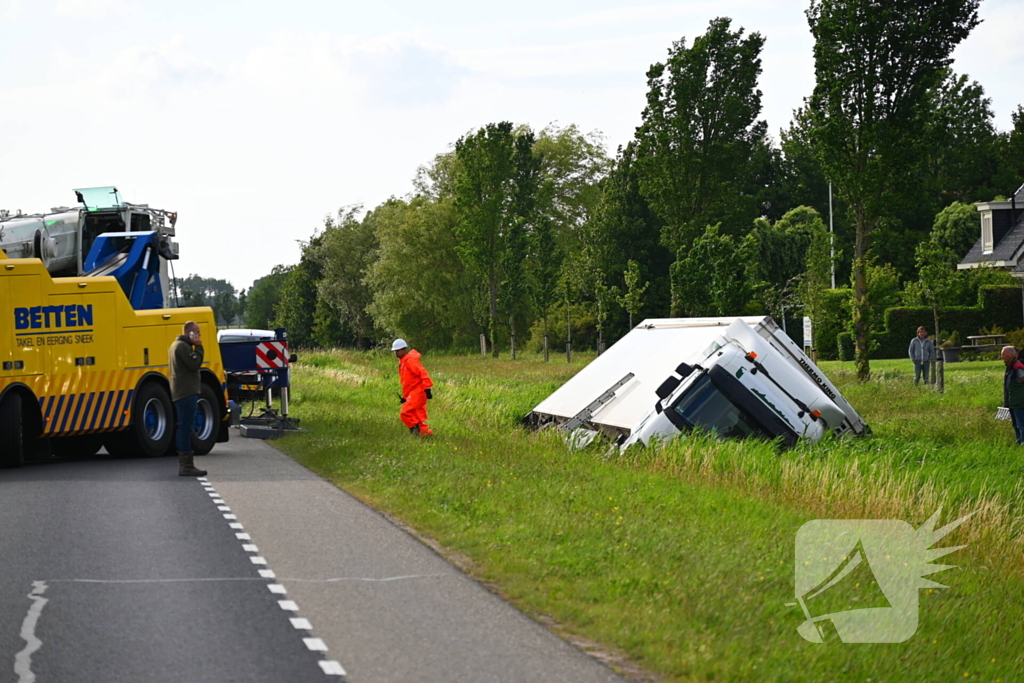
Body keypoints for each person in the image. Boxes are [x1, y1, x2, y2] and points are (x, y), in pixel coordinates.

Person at [169, 321, 207, 476]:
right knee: (186, 428)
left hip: (181, 392)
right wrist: (199, 347)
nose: (199, 336)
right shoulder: (182, 347)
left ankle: (184, 464)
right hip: (186, 392)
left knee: (184, 427)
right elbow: (194, 363)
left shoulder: (175, 345)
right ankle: (187, 465)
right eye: (197, 333)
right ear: (190, 333)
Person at [393, 338, 434, 436]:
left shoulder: (410, 361)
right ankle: (424, 434)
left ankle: (415, 432)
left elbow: (422, 373)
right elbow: (408, 382)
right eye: (395, 351)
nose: (396, 353)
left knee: (405, 412)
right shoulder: (403, 362)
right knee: (417, 414)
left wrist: (427, 388)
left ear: (404, 349)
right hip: (413, 392)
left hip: (419, 391)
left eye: (397, 350)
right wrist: (406, 398)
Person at [1003, 346, 1024, 445]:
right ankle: (1019, 444)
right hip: (1013, 402)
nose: (1001, 356)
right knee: (1016, 425)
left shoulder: (1017, 367)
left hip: (1019, 402)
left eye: (1004, 354)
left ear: (1012, 354)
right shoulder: (1010, 367)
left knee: (1021, 425)